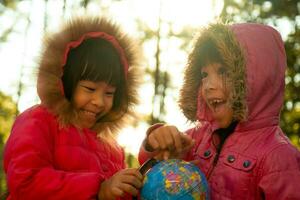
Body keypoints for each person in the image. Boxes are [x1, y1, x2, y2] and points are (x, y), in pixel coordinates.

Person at [138, 22, 300, 199]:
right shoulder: (195, 139)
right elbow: (151, 171)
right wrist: (155, 142)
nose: (208, 86)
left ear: (258, 79)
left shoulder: (280, 158)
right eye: (204, 74)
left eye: (223, 71)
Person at [3, 15, 143, 200]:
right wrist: (98, 188)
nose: (99, 101)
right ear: (66, 83)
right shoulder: (37, 121)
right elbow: (26, 182)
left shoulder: (111, 147)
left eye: (109, 93)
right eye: (90, 89)